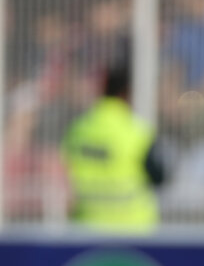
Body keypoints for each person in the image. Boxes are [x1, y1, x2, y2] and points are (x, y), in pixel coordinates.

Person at [61, 63, 165, 231]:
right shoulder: (138, 132)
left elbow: (62, 171)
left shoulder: (78, 129)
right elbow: (159, 176)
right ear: (128, 92)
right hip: (133, 229)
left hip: (86, 226)